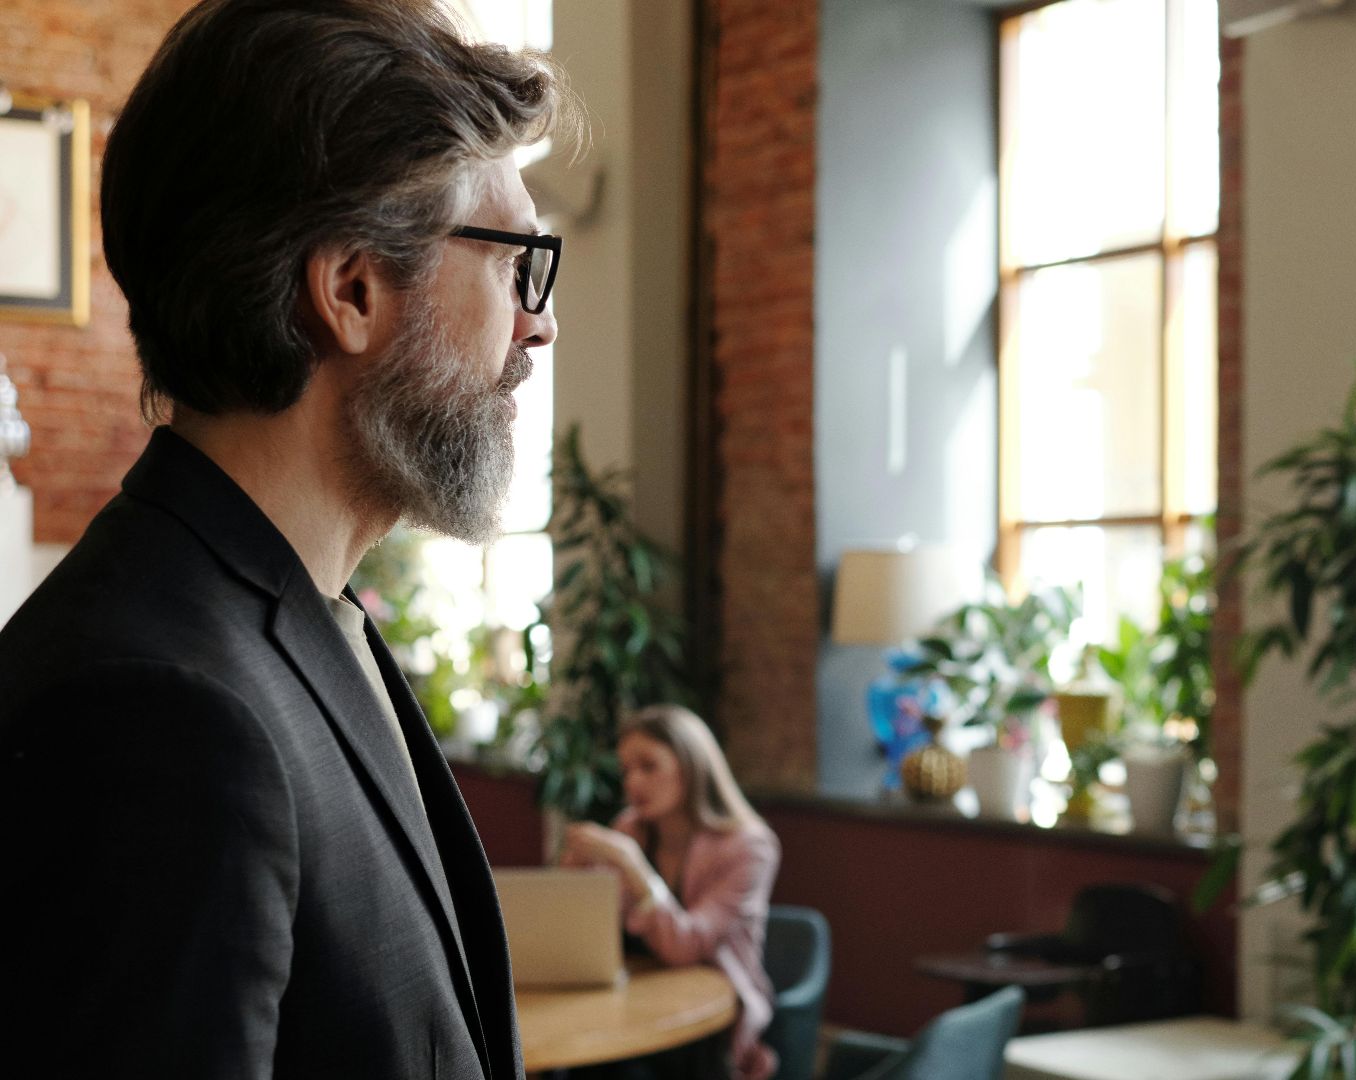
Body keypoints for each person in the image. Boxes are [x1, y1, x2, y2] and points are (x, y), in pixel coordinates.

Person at [0, 1, 574, 1076]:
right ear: (351, 289)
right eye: (515, 264)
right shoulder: (160, 715)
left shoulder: (294, 613)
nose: (538, 323)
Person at [561, 705, 782, 1080]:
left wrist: (633, 866)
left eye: (649, 767)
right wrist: (574, 878)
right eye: (626, 770)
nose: (633, 782)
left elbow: (686, 948)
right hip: (633, 998)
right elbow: (585, 929)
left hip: (710, 1022)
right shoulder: (630, 829)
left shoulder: (750, 846)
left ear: (693, 767)